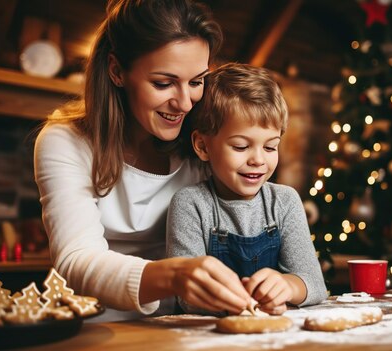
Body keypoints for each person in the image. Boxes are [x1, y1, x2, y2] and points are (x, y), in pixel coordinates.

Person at [33, 0, 253, 321]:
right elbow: (76, 260)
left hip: (187, 328)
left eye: (196, 82)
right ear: (117, 71)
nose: (184, 103)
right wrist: (175, 276)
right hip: (99, 330)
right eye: (163, 83)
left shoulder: (203, 143)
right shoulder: (65, 141)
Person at [166, 63, 328, 316]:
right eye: (241, 147)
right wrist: (239, 300)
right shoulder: (190, 204)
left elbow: (315, 285)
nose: (258, 160)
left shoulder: (284, 201)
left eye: (270, 147)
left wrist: (286, 287)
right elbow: (186, 297)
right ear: (203, 146)